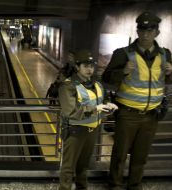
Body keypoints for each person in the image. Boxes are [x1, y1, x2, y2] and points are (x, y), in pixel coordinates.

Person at [102, 11, 172, 190]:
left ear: (157, 33)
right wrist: (122, 72)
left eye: (150, 31)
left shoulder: (165, 54)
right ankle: (115, 185)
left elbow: (165, 82)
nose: (146, 34)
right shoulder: (122, 54)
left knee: (141, 155)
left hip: (151, 115)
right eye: (142, 30)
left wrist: (171, 73)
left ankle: (135, 185)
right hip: (127, 114)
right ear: (137, 32)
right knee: (120, 153)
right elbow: (106, 78)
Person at [58, 49, 118, 190]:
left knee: (83, 165)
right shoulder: (68, 86)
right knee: (68, 167)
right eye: (85, 66)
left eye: (91, 66)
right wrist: (95, 108)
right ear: (77, 67)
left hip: (92, 131)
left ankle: (82, 187)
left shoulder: (97, 84)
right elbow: (70, 111)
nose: (89, 69)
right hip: (75, 132)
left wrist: (108, 104)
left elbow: (103, 99)